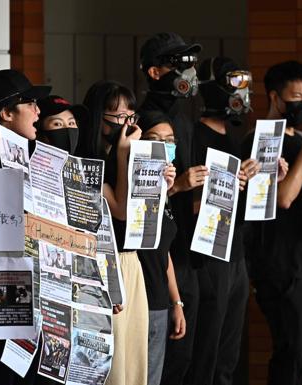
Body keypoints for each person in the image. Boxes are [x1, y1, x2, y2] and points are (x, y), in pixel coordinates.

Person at [188, 56, 281, 385]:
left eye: (247, 88)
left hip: (236, 253)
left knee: (229, 354)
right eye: (235, 87)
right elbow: (192, 204)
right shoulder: (194, 138)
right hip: (208, 257)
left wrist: (265, 180)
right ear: (212, 90)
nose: (243, 97)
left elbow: (243, 202)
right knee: (207, 352)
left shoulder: (234, 138)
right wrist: (229, 182)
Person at [245, 60, 302, 385]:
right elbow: (283, 198)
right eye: (297, 96)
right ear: (275, 96)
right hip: (279, 266)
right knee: (290, 352)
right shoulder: (260, 143)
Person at [0, 68, 51, 385]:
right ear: (5, 113)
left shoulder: (41, 160)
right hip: (3, 306)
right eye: (30, 103)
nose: (38, 111)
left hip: (45, 308)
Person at [137, 32, 203, 385]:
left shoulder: (184, 120)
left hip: (186, 252)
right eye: (178, 65)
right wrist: (179, 185)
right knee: (156, 366)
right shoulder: (144, 120)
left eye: (190, 65)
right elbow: (142, 199)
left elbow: (185, 192)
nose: (187, 74)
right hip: (158, 258)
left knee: (185, 358)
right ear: (154, 72)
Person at [78, 80, 147, 385]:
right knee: (112, 367)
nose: (126, 124)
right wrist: (122, 153)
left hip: (132, 262)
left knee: (134, 361)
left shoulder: (132, 156)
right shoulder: (84, 161)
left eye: (131, 117)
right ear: (98, 117)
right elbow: (119, 208)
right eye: (118, 117)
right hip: (102, 263)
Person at [135, 110, 186, 385]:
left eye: (170, 140)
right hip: (136, 301)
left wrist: (176, 302)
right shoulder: (131, 191)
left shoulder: (164, 194)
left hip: (159, 302)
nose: (164, 146)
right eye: (155, 139)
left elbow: (163, 251)